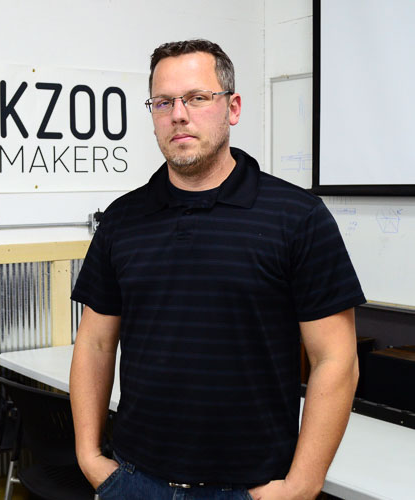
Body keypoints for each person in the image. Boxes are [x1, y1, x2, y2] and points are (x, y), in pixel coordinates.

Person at [69, 39, 365, 500]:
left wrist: (303, 484)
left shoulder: (298, 217)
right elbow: (95, 342)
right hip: (133, 480)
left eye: (197, 98)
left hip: (250, 488)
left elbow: (336, 359)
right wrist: (89, 456)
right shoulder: (122, 220)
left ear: (233, 107)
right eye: (163, 102)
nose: (178, 115)